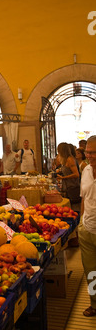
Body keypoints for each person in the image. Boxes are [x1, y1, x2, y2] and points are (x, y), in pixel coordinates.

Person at [78, 136, 96, 317]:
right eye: (87, 152)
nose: (89, 156)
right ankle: (94, 303)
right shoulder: (86, 171)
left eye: (93, 152)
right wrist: (81, 222)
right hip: (87, 229)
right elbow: (84, 197)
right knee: (91, 272)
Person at [57, 142, 81, 208]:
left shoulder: (70, 159)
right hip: (68, 188)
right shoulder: (65, 160)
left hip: (73, 187)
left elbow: (76, 174)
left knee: (74, 208)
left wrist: (64, 177)